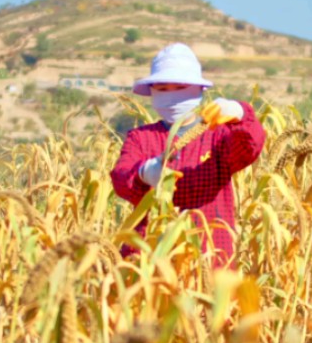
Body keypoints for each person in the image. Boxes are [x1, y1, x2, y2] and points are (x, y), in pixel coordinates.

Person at [111, 43, 266, 268]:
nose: (171, 95)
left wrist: (240, 113)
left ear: (198, 90)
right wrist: (145, 172)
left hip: (208, 257)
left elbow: (250, 147)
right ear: (152, 91)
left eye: (180, 87)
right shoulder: (141, 138)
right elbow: (121, 177)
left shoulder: (220, 136)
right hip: (149, 261)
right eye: (163, 89)